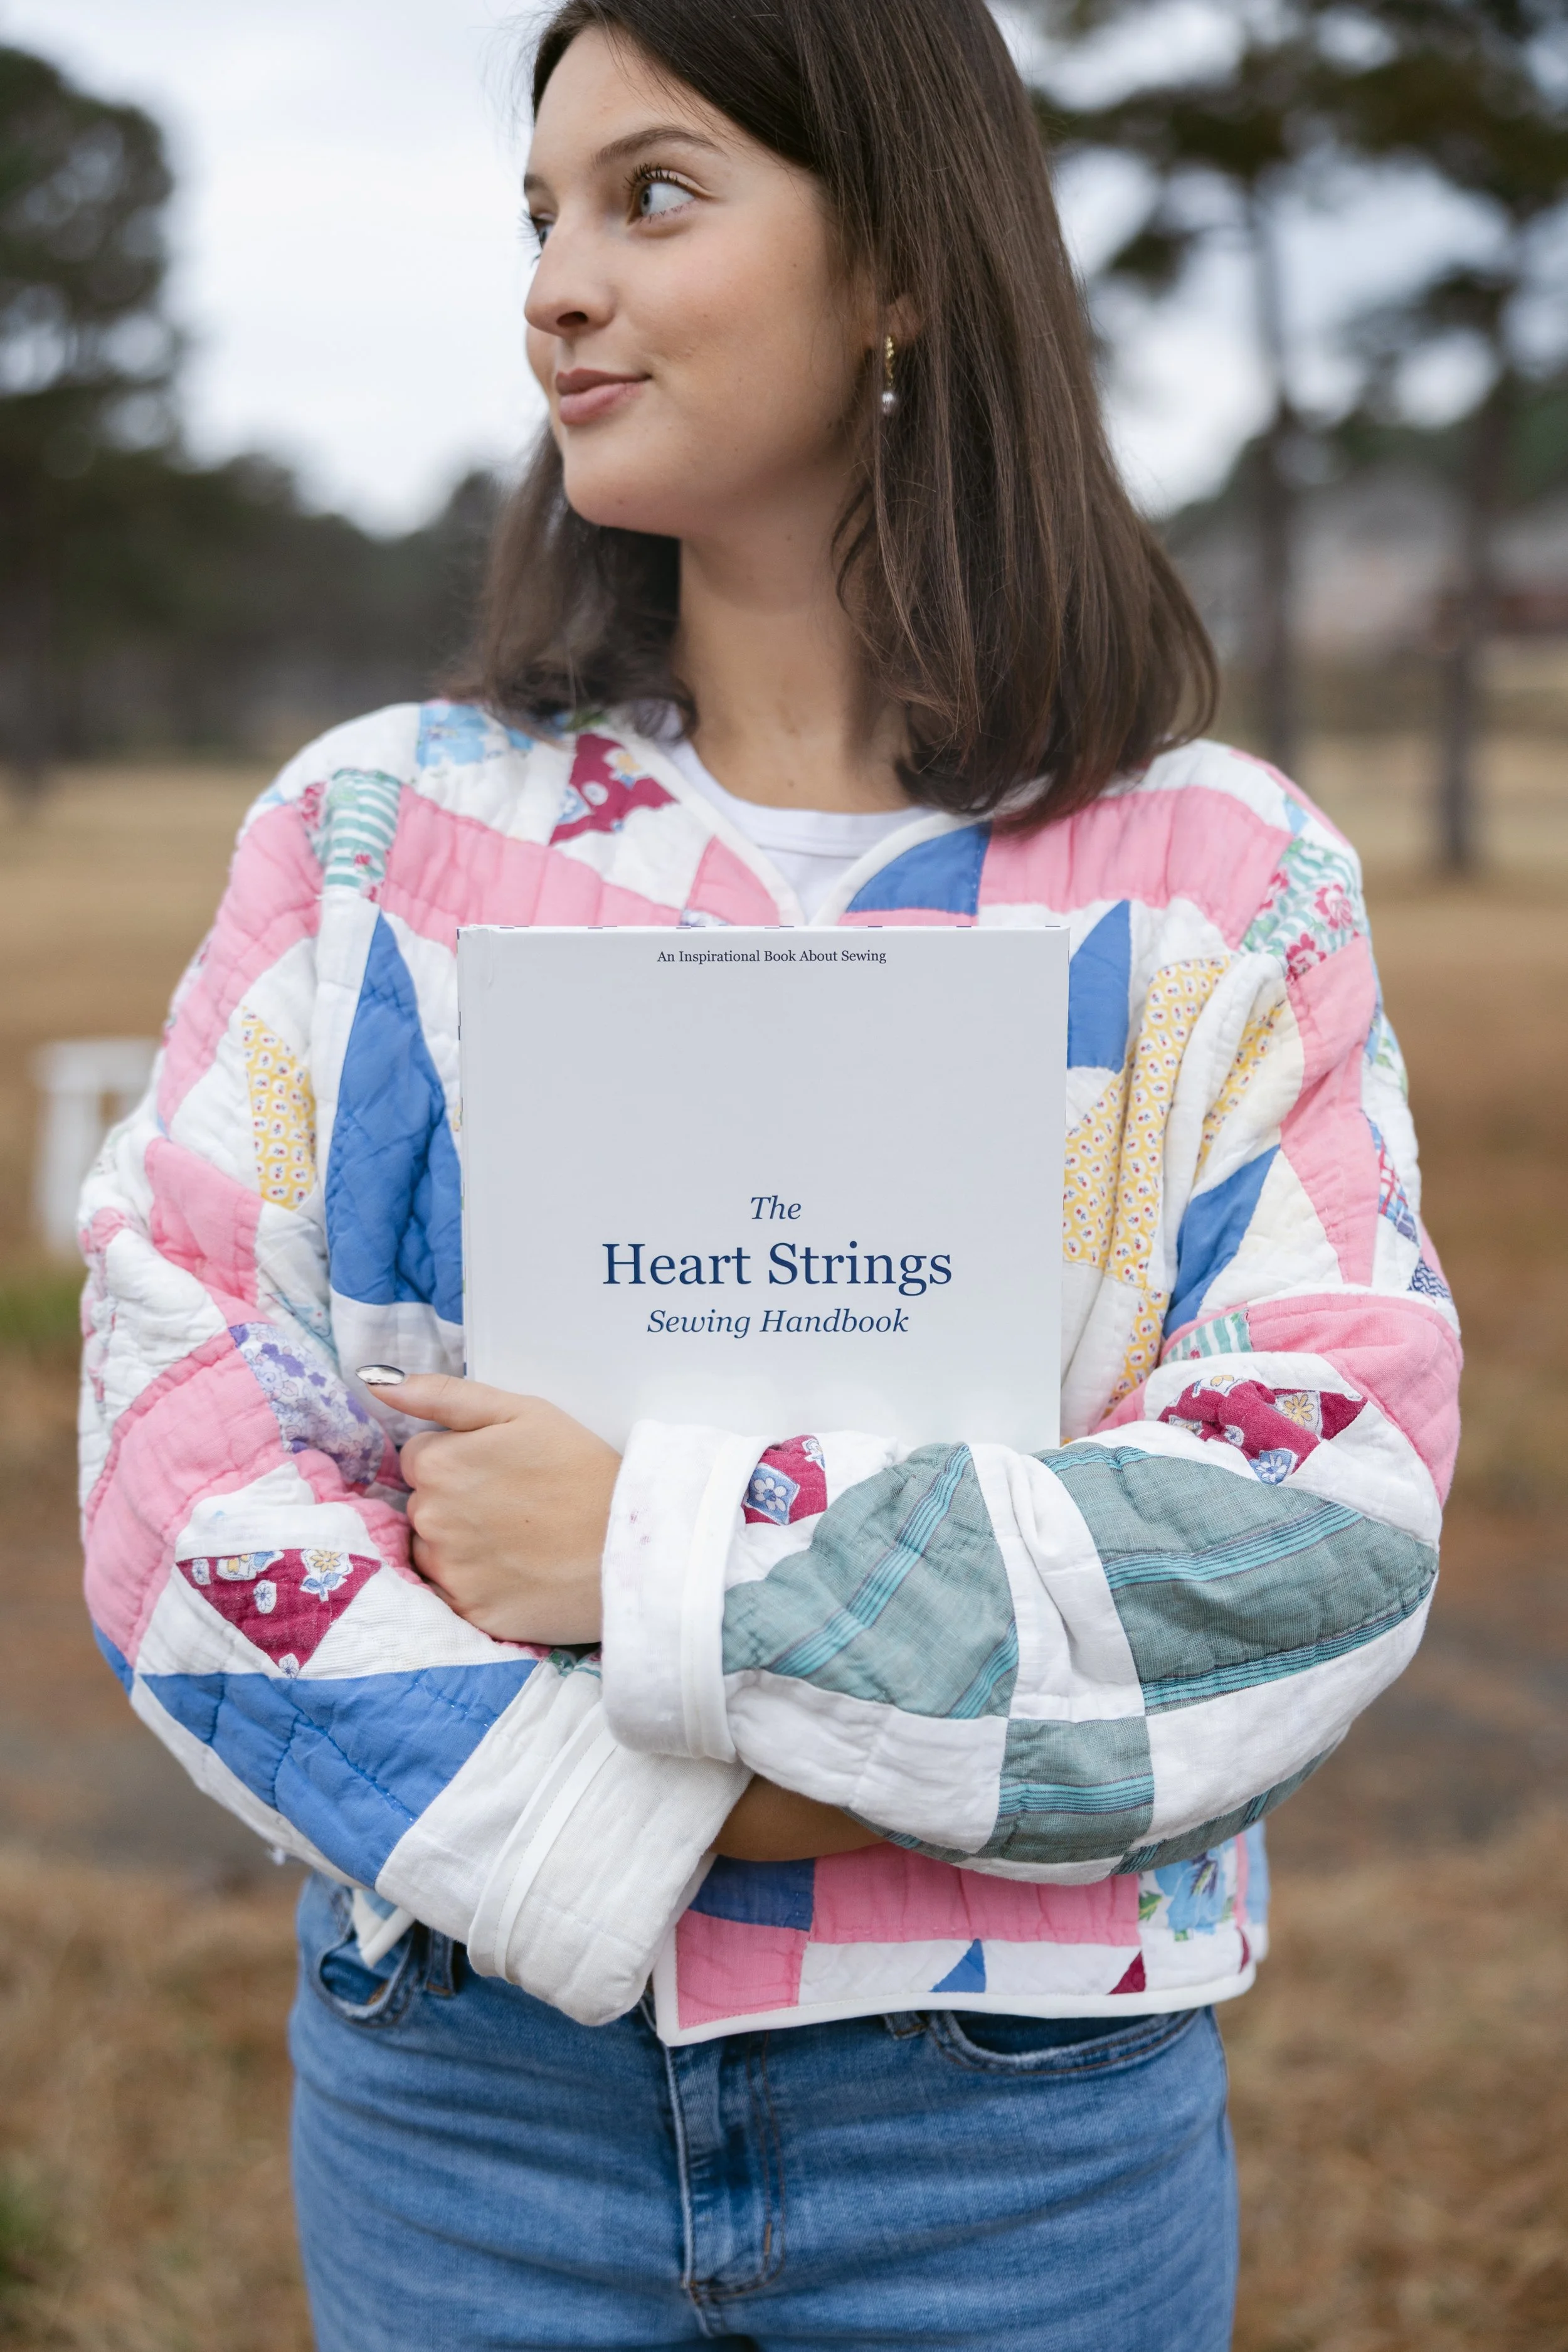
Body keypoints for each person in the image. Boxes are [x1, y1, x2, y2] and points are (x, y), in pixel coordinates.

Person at [77, 3, 1461, 2346]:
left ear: (904, 263)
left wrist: (645, 1553)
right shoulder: (379, 838)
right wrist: (708, 1811)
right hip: (469, 2119)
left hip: (1018, 2143)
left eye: (654, 193)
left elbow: (1305, 1525)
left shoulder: (1216, 877)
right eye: (536, 216)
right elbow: (177, 1452)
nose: (553, 286)